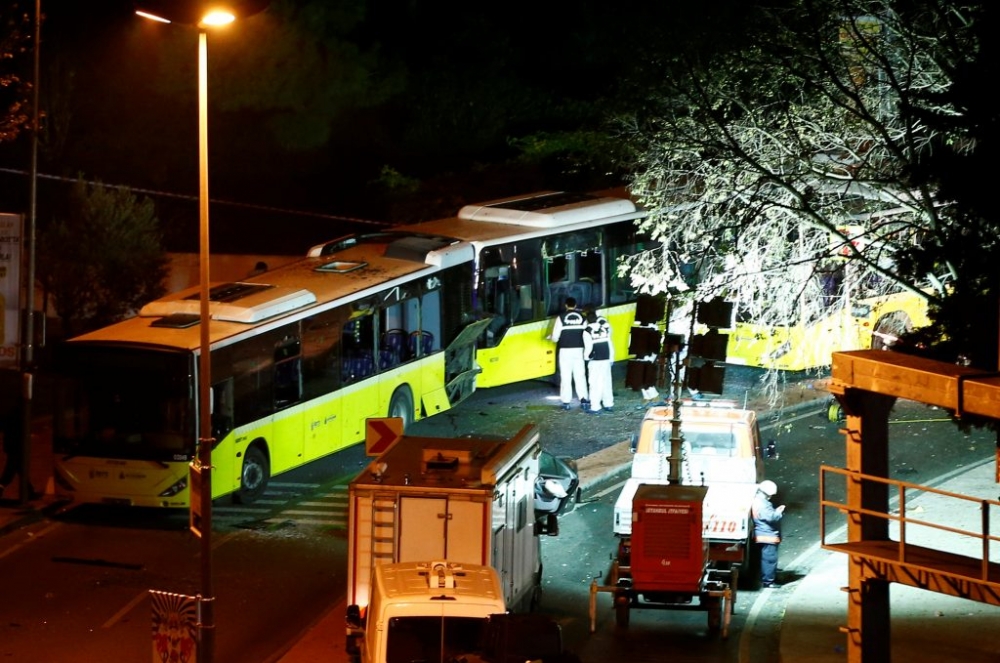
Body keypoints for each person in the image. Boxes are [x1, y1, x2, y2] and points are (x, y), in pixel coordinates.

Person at [549, 297, 589, 411]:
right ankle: (584, 400)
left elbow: (555, 338)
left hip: (565, 350)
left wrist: (551, 338)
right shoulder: (583, 318)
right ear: (576, 306)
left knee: (566, 376)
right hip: (579, 350)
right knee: (580, 375)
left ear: (566, 306)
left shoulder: (560, 318)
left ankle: (566, 402)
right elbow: (587, 335)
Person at [752, 479, 786, 588]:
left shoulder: (757, 501)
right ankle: (768, 581)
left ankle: (766, 577)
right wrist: (778, 512)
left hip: (762, 534)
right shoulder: (763, 504)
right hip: (768, 536)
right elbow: (772, 517)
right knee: (770, 560)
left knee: (764, 558)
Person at [582, 309, 614, 414]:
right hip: (606, 358)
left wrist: (586, 358)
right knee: (606, 382)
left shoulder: (587, 331)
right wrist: (611, 358)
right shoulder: (604, 328)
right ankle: (608, 404)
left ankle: (595, 407)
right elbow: (609, 344)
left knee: (595, 383)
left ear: (587, 320)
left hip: (595, 360)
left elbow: (588, 347)